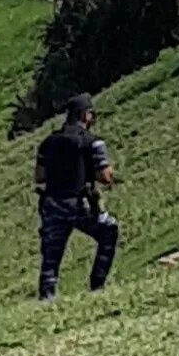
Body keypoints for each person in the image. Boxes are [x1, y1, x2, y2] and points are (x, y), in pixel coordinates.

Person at [34, 93, 119, 302]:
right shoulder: (92, 142)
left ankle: (47, 299)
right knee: (109, 230)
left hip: (53, 205)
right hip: (81, 206)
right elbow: (105, 176)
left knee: (51, 258)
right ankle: (97, 285)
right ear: (85, 115)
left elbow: (39, 176)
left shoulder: (48, 142)